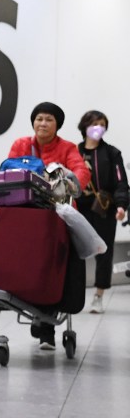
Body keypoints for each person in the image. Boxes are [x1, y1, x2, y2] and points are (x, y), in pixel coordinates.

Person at [7, 101, 90, 350]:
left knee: (53, 267)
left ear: (57, 125)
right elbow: (8, 171)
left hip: (58, 217)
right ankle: (32, 309)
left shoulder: (68, 148)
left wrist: (70, 180)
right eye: (39, 118)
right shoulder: (21, 145)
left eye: (49, 119)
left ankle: (46, 328)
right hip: (27, 216)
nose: (43, 123)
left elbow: (81, 173)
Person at [75, 110, 128, 314]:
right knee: (74, 253)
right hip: (79, 210)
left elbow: (121, 181)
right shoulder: (75, 151)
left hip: (104, 210)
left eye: (102, 124)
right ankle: (73, 295)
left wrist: (122, 205)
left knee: (104, 253)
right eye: (94, 124)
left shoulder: (112, 153)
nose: (98, 128)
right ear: (85, 126)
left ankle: (98, 295)